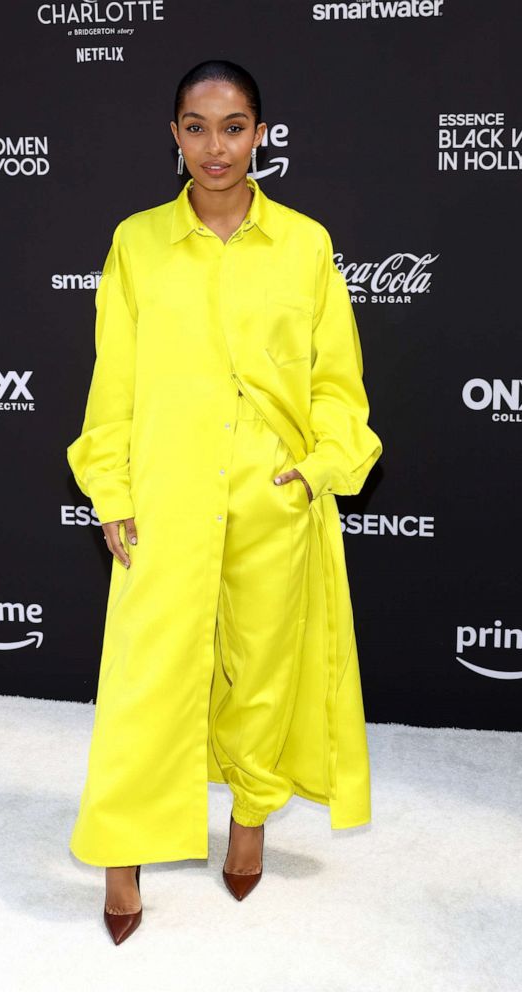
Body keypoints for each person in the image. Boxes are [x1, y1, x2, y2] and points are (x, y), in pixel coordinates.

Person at [66, 58, 383, 944]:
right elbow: (113, 383)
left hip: (269, 495)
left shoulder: (306, 245)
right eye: (197, 126)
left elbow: (336, 386)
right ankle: (122, 854)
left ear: (262, 134)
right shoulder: (135, 243)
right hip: (164, 494)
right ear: (173, 135)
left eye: (235, 125)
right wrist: (113, 488)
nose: (217, 146)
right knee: (144, 679)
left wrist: (313, 471)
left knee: (261, 669)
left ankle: (247, 820)